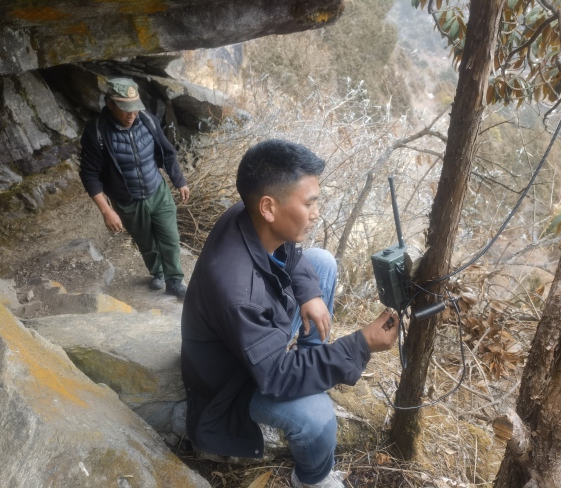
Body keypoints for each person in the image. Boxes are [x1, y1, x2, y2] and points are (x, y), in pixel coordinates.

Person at [181, 139, 400, 488]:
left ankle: (312, 366)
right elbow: (276, 377)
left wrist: (310, 293)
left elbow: (291, 252)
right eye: (310, 203)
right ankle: (311, 479)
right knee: (317, 419)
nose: (316, 213)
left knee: (322, 264)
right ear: (269, 207)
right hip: (234, 380)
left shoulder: (248, 214)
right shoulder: (237, 292)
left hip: (255, 338)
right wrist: (361, 344)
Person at [79, 77, 189, 298]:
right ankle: (157, 272)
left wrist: (179, 181)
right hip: (128, 200)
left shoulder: (147, 120)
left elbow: (167, 152)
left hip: (157, 191)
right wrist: (106, 210)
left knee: (170, 237)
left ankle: (174, 280)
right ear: (110, 104)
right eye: (125, 109)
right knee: (146, 242)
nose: (132, 115)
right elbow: (89, 174)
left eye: (135, 108)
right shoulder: (97, 132)